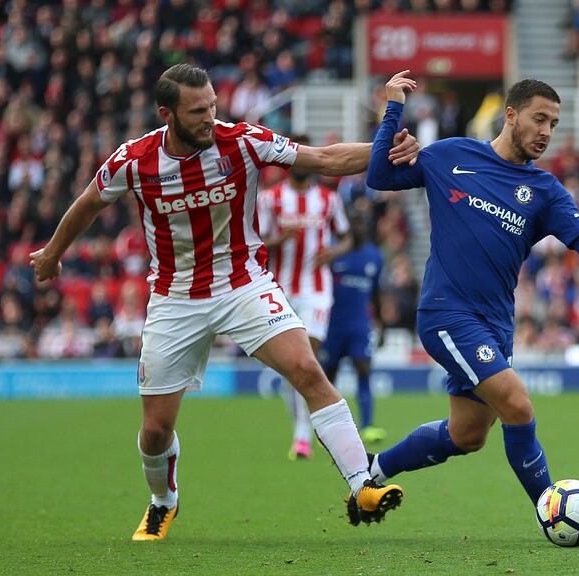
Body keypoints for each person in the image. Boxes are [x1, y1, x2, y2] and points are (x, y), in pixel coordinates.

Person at [29, 63, 420, 540]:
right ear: (166, 114)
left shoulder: (241, 141)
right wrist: (52, 254)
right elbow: (89, 202)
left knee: (308, 370)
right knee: (155, 431)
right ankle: (162, 500)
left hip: (243, 283)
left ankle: (362, 484)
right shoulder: (134, 160)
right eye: (197, 111)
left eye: (213, 105)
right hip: (175, 297)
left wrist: (387, 148)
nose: (209, 118)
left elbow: (323, 159)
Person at [363, 70, 579, 511]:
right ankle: (552, 510)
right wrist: (393, 107)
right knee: (517, 404)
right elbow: (379, 176)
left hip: (496, 324)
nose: (546, 132)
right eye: (539, 119)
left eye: (553, 123)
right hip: (446, 313)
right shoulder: (451, 155)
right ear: (510, 115)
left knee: (468, 435)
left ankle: (373, 471)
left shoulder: (545, 191)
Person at [258, 134, 352, 460]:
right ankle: (302, 428)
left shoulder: (328, 199)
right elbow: (255, 242)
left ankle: (302, 436)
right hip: (280, 290)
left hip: (317, 290)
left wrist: (334, 252)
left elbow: (347, 237)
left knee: (307, 360)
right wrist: (278, 238)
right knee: (292, 369)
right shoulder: (270, 199)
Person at [320, 209, 387, 443]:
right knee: (328, 377)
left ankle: (368, 426)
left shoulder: (375, 256)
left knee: (363, 369)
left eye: (363, 223)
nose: (359, 227)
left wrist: (382, 325)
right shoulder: (333, 254)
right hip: (332, 325)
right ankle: (328, 429)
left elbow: (376, 293)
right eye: (355, 222)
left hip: (360, 325)